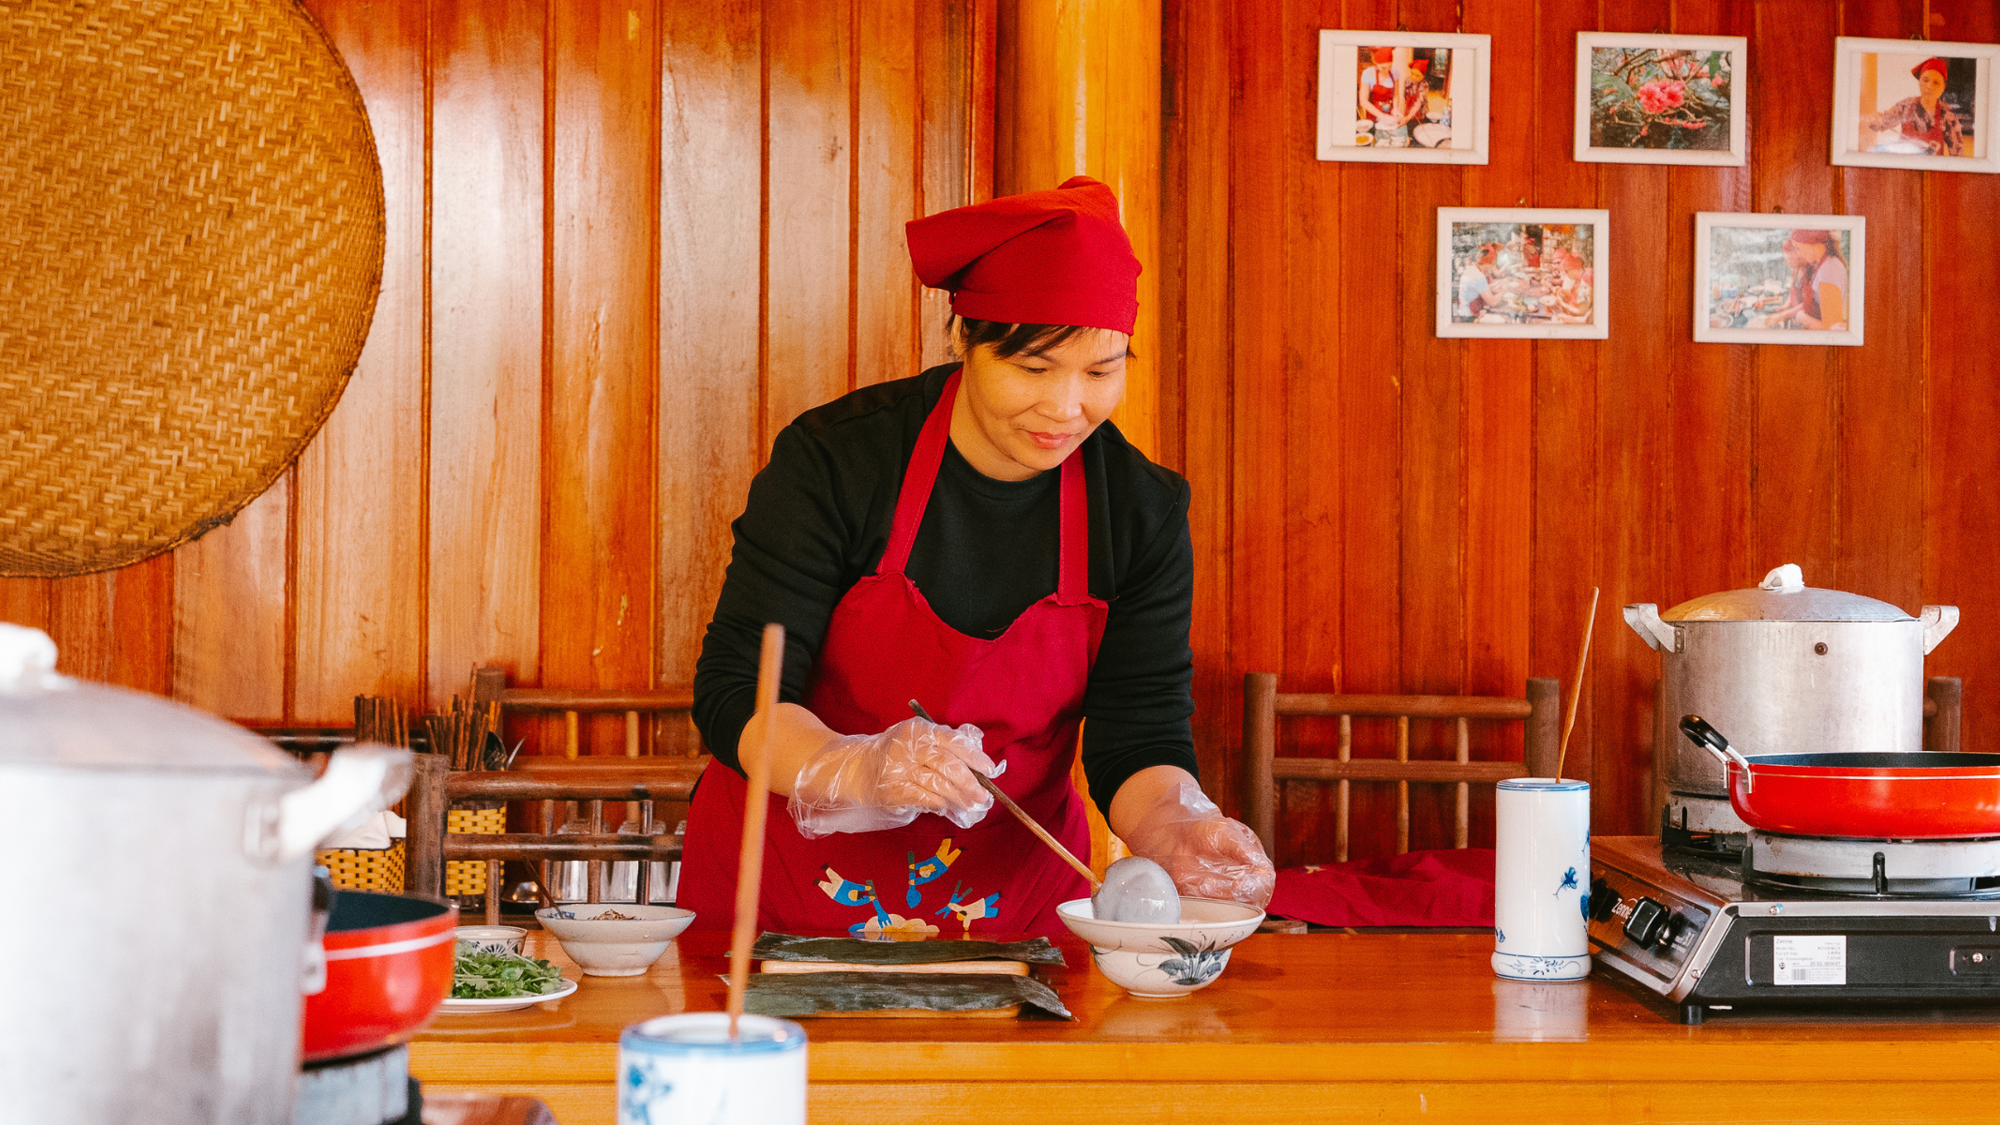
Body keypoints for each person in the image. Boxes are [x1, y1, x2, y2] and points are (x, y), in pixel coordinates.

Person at [680, 176, 1276, 939]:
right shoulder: (838, 461)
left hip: (1007, 911)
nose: (1067, 408)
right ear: (967, 342)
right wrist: (854, 768)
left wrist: (1176, 824)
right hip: (784, 894)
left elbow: (1141, 733)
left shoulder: (1138, 509)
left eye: (1101, 371)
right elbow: (737, 689)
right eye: (1034, 369)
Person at [1862, 56, 1965, 157]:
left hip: (1932, 170)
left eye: (1936, 82)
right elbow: (1882, 122)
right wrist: (1872, 119)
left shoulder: (1948, 114)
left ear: (1943, 87)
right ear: (1919, 82)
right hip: (1905, 166)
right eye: (1925, 80)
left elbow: (1957, 152)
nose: (1929, 86)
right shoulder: (1905, 106)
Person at [1771, 230, 1848, 331]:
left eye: (1798, 248)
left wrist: (1804, 318)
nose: (1799, 254)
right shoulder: (1825, 265)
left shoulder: (1828, 269)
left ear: (1810, 243)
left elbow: (1833, 329)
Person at [1457, 242, 1500, 319]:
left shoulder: (1473, 268)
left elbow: (1480, 288)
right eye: (1492, 264)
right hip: (1470, 317)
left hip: (1463, 312)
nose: (1492, 267)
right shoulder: (1478, 276)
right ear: (1487, 263)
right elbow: (1493, 302)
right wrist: (1506, 289)